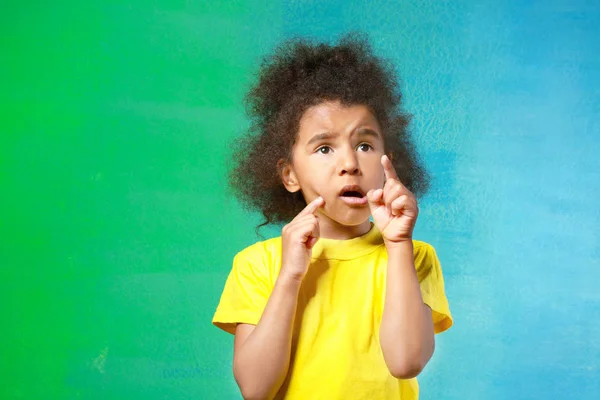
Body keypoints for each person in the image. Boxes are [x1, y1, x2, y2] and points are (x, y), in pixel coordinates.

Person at [212, 33, 453, 400]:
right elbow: (256, 389)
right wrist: (291, 276)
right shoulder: (257, 265)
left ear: (391, 160)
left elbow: (406, 362)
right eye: (324, 147)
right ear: (289, 175)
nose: (349, 164)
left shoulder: (414, 257)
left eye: (365, 145)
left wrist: (398, 244)